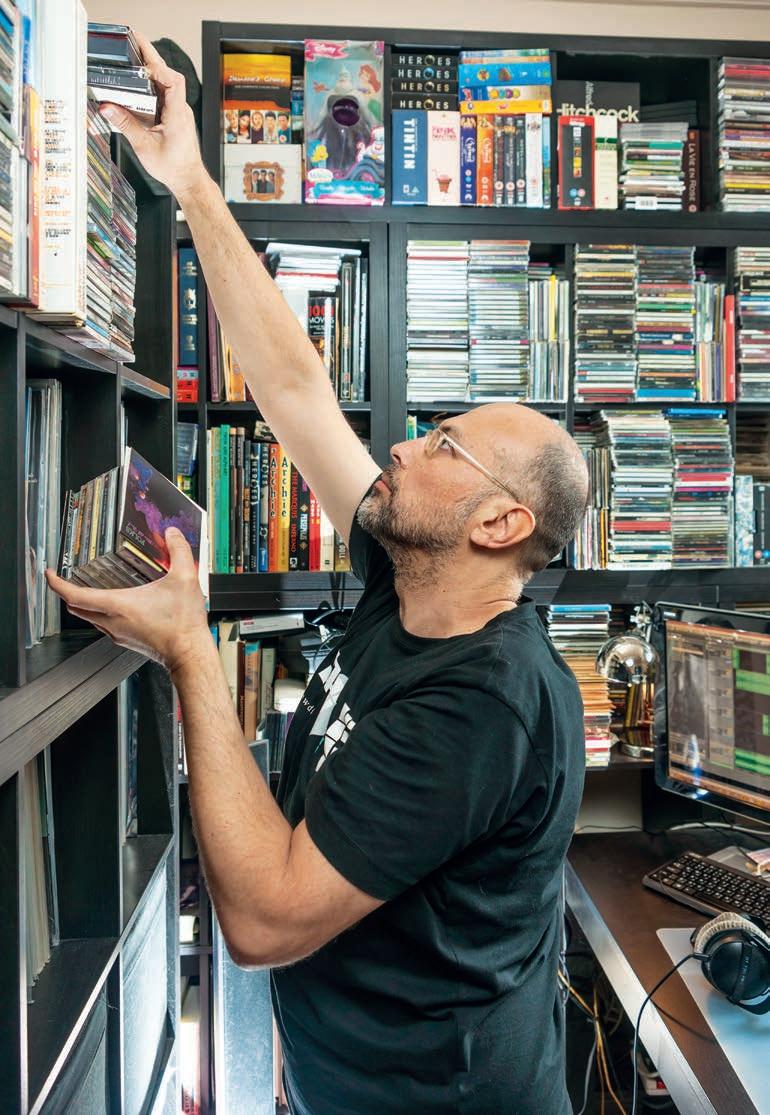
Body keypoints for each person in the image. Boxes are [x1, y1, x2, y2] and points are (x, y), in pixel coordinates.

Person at [46, 34, 590, 1115]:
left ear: (500, 523)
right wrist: (191, 181)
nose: (406, 445)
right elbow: (294, 388)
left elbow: (263, 920)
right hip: (344, 1077)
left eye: (444, 445)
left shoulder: (485, 704)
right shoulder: (411, 575)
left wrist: (190, 648)